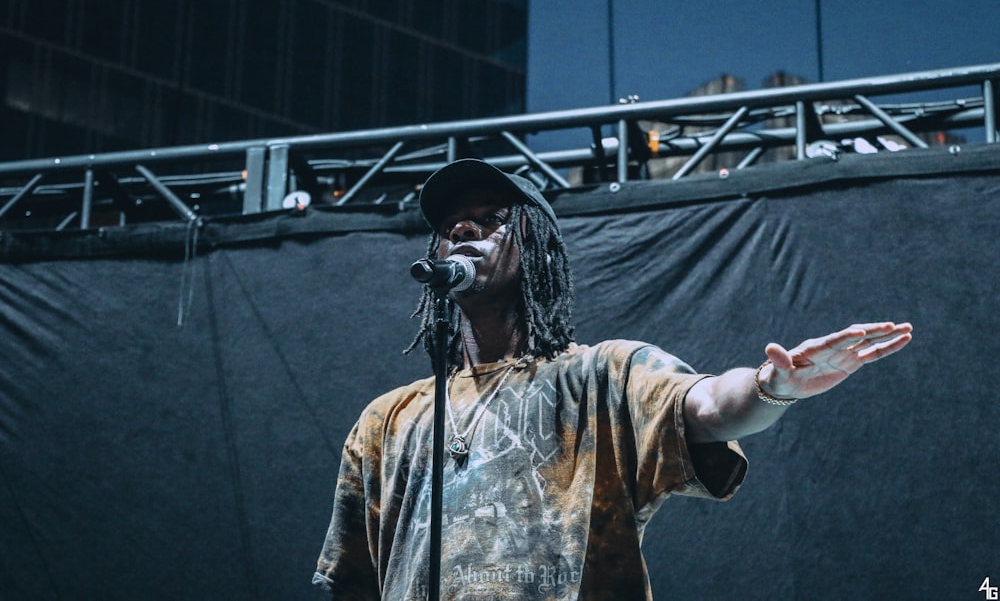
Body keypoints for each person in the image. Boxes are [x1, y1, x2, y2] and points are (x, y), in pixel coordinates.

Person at [313, 158, 913, 600]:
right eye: (452, 225)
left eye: (490, 219)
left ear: (538, 246)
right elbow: (354, 582)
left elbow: (706, 407)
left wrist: (772, 385)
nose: (464, 231)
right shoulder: (389, 419)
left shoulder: (603, 374)